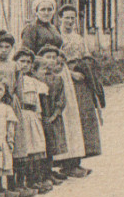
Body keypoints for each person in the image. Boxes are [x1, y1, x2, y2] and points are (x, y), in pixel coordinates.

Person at [57, 5, 104, 172]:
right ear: (60, 18)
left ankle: (77, 160)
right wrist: (70, 73)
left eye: (72, 18)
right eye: (67, 17)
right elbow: (55, 62)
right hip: (65, 79)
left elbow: (86, 55)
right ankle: (66, 163)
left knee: (83, 118)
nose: (70, 21)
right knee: (68, 119)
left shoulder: (78, 38)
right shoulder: (57, 38)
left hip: (81, 81)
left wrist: (88, 68)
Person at [37, 44, 88, 179]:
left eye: (54, 58)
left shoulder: (58, 76)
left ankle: (67, 165)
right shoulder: (38, 76)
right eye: (48, 57)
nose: (51, 61)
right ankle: (47, 171)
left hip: (56, 110)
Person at [12, 47, 52, 195]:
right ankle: (17, 184)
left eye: (28, 62)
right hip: (19, 115)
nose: (25, 64)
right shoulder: (12, 78)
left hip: (32, 115)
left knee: (35, 148)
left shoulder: (33, 81)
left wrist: (39, 116)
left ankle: (33, 180)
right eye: (22, 61)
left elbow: (37, 101)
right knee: (21, 150)